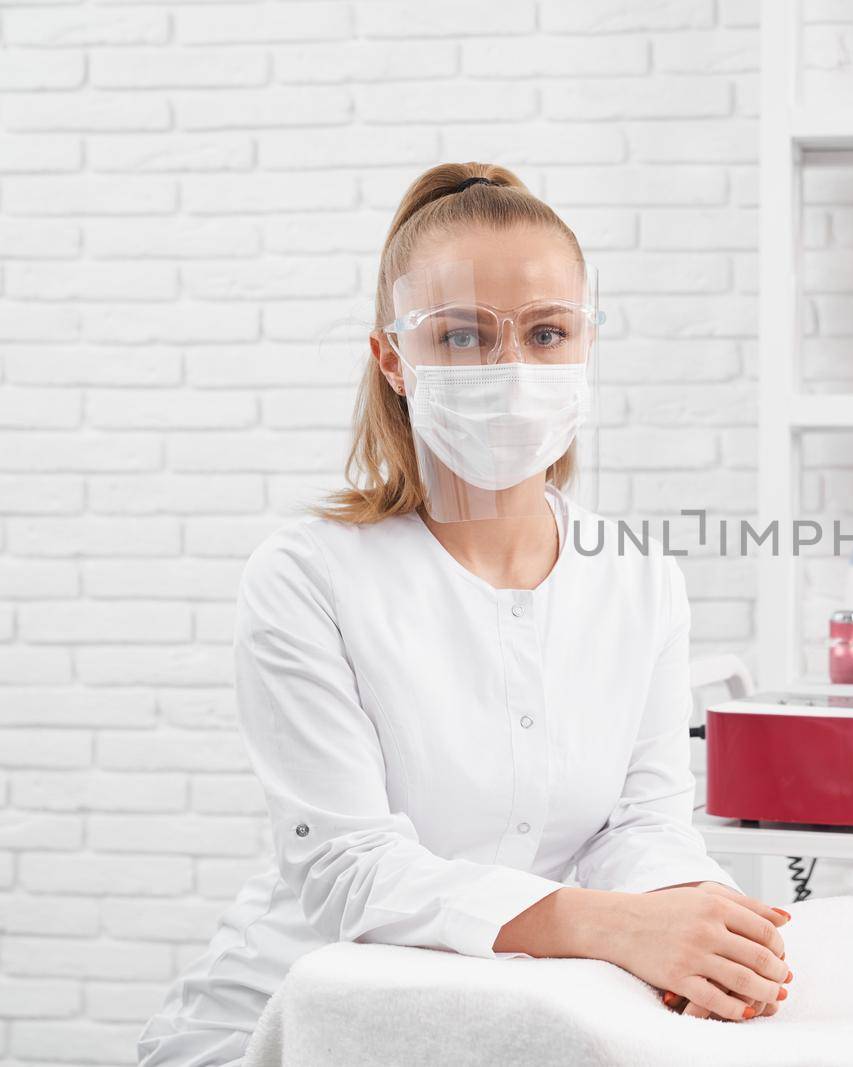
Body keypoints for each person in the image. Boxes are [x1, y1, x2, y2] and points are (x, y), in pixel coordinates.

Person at [137, 163, 792, 1067]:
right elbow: (346, 868)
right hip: (293, 1017)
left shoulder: (639, 578)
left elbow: (640, 823)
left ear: (585, 346)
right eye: (462, 336)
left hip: (503, 1010)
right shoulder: (307, 576)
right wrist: (617, 928)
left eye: (547, 332)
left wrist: (698, 920)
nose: (511, 369)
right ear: (394, 360)